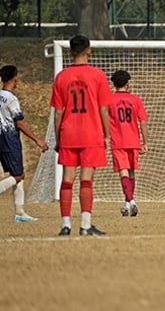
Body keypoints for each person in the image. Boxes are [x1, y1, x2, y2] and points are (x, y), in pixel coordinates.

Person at [50, 35, 112, 236]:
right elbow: (104, 109)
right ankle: (85, 225)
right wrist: (107, 134)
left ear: (69, 52)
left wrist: (58, 139)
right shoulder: (98, 75)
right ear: (89, 50)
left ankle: (65, 225)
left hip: (68, 133)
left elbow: (58, 113)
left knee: (67, 178)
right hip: (91, 132)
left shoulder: (61, 77)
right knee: (86, 179)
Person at [0, 65, 49, 222]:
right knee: (18, 175)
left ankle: (20, 212)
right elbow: (19, 123)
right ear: (15, 79)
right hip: (9, 139)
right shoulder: (11, 98)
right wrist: (37, 140)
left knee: (17, 172)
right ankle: (19, 212)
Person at [108, 70, 149, 217]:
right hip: (133, 141)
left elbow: (104, 121)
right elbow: (143, 122)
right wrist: (145, 142)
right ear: (127, 83)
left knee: (123, 171)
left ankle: (131, 201)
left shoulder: (109, 100)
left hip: (117, 141)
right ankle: (128, 203)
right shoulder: (135, 100)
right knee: (131, 171)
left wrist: (105, 137)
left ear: (113, 84)